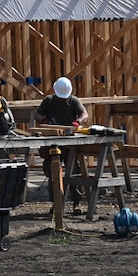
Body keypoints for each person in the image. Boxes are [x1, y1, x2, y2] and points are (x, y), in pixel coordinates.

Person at [35, 77, 88, 210]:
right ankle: (57, 204)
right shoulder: (49, 101)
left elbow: (84, 114)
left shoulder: (73, 101)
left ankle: (77, 203)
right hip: (52, 143)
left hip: (69, 143)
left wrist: (78, 122)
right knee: (52, 172)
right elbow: (37, 115)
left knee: (74, 171)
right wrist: (44, 120)